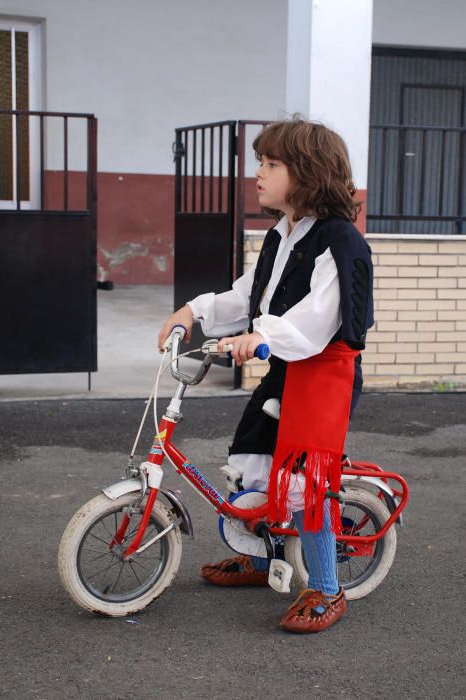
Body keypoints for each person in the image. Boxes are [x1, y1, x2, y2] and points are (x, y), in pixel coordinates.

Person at [158, 118, 374, 633]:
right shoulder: (281, 236)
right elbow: (248, 296)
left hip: (323, 375)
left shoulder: (339, 240)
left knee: (304, 482)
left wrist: (260, 339)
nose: (257, 173)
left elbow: (318, 318)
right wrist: (193, 311)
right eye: (261, 162)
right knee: (255, 464)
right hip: (285, 370)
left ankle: (326, 589)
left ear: (307, 172)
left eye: (270, 164)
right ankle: (260, 561)